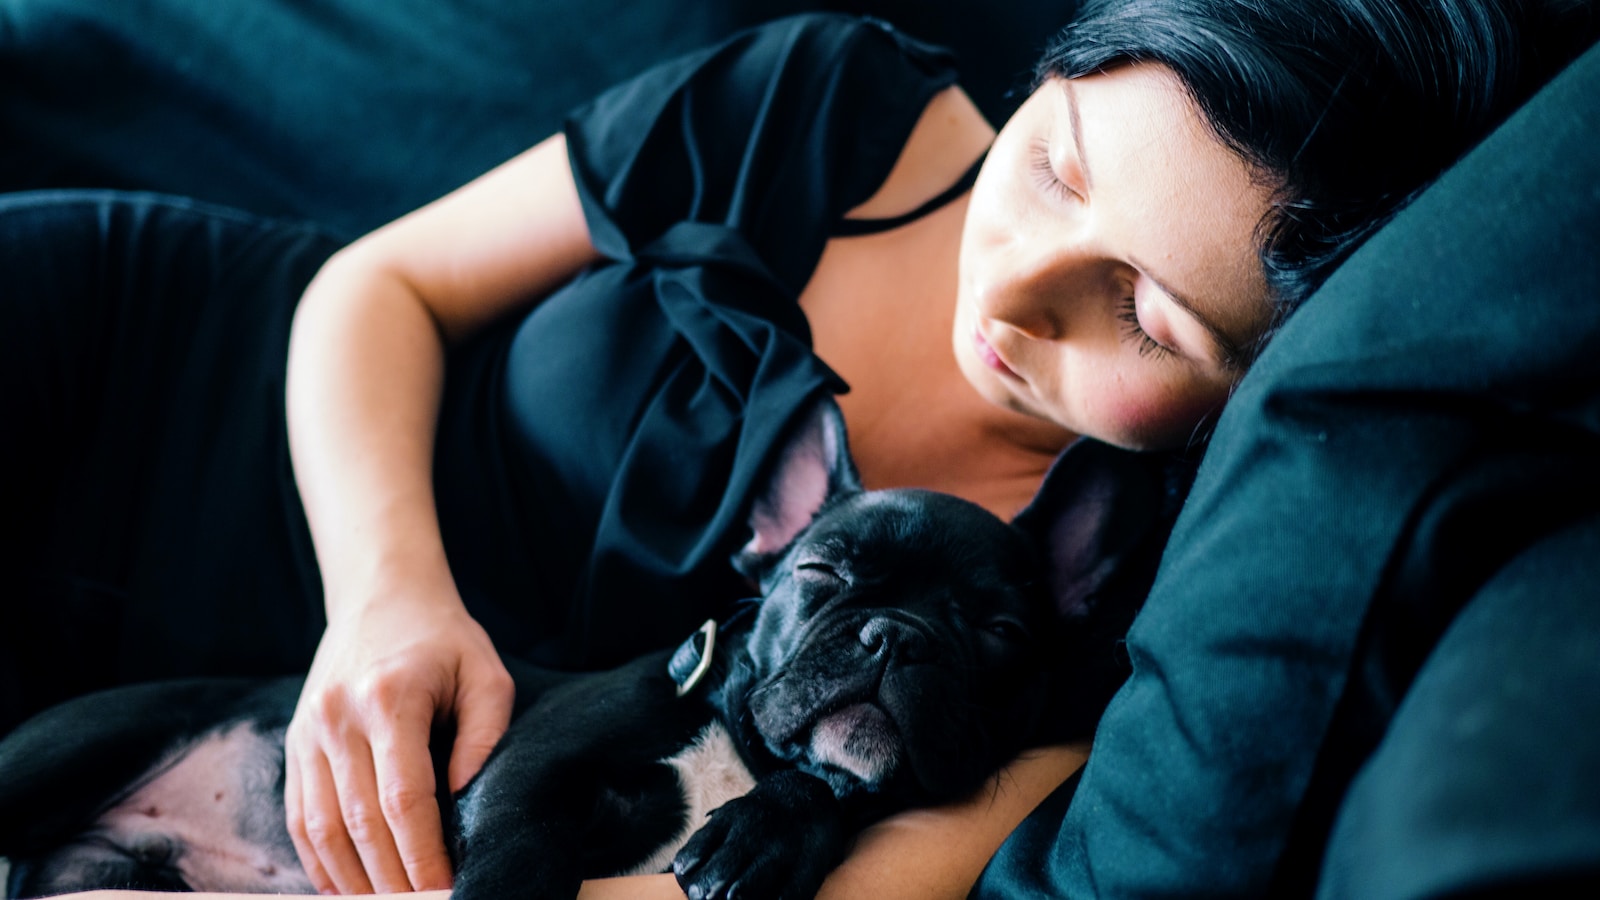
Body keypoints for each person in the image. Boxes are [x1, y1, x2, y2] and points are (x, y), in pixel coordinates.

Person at [1, 0, 1591, 897]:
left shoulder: (1114, 597)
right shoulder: (834, 107)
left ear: (1252, 386)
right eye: (1052, 166)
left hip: (305, 789)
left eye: (1148, 317)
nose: (1017, 296)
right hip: (167, 384)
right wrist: (386, 595)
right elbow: (378, 283)